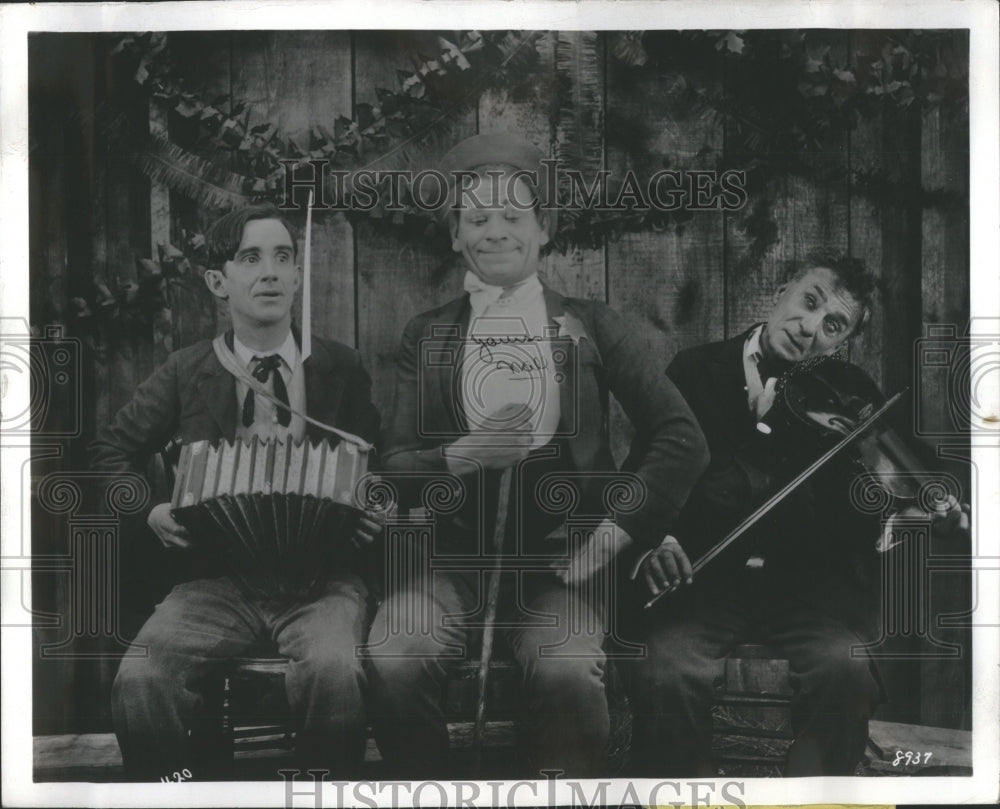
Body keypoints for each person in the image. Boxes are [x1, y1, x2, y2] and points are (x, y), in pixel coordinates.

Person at [365, 132, 709, 778]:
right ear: (454, 236)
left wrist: (613, 535)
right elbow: (395, 469)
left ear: (543, 230)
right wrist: (464, 454)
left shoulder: (595, 325)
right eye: (477, 218)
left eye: (513, 217)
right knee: (393, 651)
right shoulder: (427, 334)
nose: (495, 231)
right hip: (450, 566)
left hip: (564, 568)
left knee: (568, 669)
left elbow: (680, 436)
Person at [627, 252, 970, 776]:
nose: (809, 328)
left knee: (846, 674)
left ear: (844, 341)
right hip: (704, 585)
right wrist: (663, 540)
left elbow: (879, 496)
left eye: (832, 324)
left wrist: (926, 511)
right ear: (782, 289)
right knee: (663, 672)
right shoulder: (694, 370)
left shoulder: (850, 394)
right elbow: (649, 484)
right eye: (809, 303)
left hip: (808, 593)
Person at [91, 204, 381, 780]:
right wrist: (149, 510)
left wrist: (374, 505)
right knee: (141, 681)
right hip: (215, 581)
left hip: (322, 580)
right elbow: (107, 454)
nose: (269, 272)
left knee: (334, 673)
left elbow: (379, 462)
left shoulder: (340, 367)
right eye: (250, 258)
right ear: (218, 283)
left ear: (298, 276)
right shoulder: (186, 369)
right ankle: (174, 792)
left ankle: (324, 795)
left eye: (282, 257)